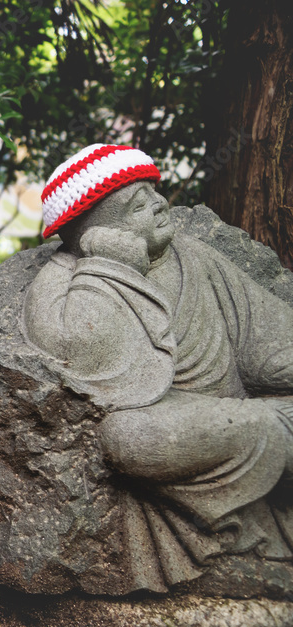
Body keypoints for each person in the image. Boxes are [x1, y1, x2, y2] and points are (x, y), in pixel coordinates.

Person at [24, 144, 293, 567]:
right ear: (92, 230)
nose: (157, 205)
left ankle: (271, 430)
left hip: (233, 411)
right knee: (129, 439)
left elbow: (267, 336)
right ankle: (272, 437)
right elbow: (97, 376)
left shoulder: (193, 256)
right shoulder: (60, 283)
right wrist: (112, 269)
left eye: (153, 191)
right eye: (136, 205)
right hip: (163, 419)